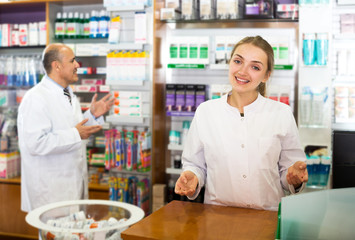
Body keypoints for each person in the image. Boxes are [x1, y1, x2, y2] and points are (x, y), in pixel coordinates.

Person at [174, 36, 308, 211]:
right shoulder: (206, 111)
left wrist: (293, 179)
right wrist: (192, 176)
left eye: (255, 67)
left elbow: (288, 173)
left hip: (267, 217)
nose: (243, 71)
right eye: (238, 61)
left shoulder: (281, 113)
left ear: (266, 75)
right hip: (218, 217)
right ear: (229, 63)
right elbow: (195, 164)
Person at [17, 43, 115, 212]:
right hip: (51, 192)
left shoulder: (67, 94)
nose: (77, 65)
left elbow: (74, 130)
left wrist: (92, 116)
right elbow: (36, 143)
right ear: (57, 66)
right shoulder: (35, 98)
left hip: (72, 185)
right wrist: (75, 134)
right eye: (72, 61)